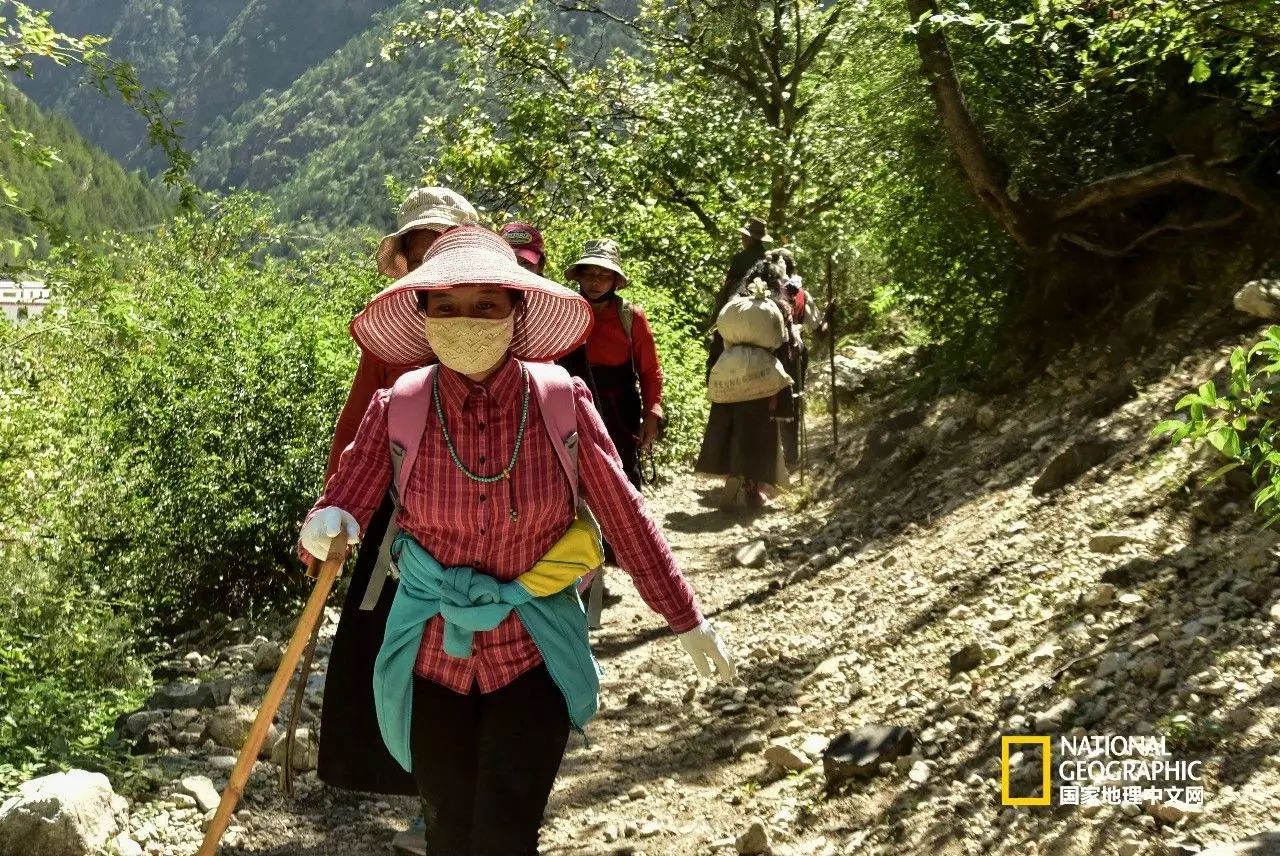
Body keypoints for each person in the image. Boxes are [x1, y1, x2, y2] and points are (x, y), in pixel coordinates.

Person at [299, 226, 735, 854]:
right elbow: (349, 495)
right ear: (422, 317)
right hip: (429, 655)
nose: (464, 321)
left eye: (485, 305)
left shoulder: (562, 404)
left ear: (515, 313)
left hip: (533, 650)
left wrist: (685, 616)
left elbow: (624, 515)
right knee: (448, 829)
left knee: (506, 831)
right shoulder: (398, 407)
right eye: (445, 307)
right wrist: (331, 519)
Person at [317, 186, 477, 856]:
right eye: (417, 255)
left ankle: (470, 797)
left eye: (437, 250)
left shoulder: (495, 318)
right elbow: (359, 425)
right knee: (401, 655)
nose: (426, 267)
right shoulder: (390, 332)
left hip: (482, 515)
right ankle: (430, 801)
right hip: (397, 519)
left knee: (470, 653)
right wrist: (334, 509)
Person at [696, 255, 800, 509]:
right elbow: (783, 349)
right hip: (762, 382)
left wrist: (713, 373)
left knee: (733, 429)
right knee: (760, 435)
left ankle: (734, 477)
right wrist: (782, 386)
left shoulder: (734, 306)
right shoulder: (778, 307)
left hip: (730, 376)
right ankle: (753, 488)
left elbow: (718, 344)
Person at [563, 238, 663, 491]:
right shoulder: (564, 310)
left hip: (620, 408)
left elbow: (650, 370)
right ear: (579, 277)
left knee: (624, 471)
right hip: (572, 404)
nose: (595, 282)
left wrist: (652, 414)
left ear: (615, 281)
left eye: (604, 275)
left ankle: (630, 528)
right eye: (590, 274)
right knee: (572, 472)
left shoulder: (631, 317)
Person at [500, 222, 596, 399]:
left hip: (547, 404)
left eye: (526, 264)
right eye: (510, 262)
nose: (517, 270)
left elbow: (579, 372)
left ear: (541, 266)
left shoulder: (564, 309)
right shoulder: (483, 304)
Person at [708, 215, 773, 328]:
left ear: (749, 238)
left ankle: (713, 327)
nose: (742, 239)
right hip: (765, 289)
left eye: (743, 236)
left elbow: (730, 279)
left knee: (723, 299)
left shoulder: (740, 258)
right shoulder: (768, 256)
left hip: (743, 288)